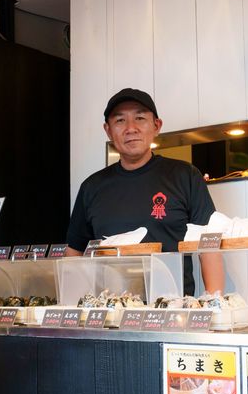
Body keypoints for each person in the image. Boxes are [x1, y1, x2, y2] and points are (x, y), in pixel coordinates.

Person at [66, 88, 224, 295]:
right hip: (109, 312)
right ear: (108, 130)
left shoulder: (185, 176)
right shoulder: (92, 187)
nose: (131, 128)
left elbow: (208, 245)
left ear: (156, 126)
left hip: (171, 310)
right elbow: (74, 252)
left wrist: (215, 302)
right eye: (120, 120)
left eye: (140, 118)